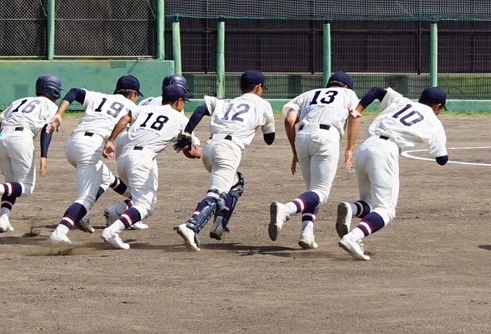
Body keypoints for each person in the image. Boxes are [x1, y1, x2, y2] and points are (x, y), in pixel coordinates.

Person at [335, 86, 451, 261]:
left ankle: (351, 209)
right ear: (438, 106)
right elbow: (441, 159)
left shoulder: (402, 102)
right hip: (385, 152)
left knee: (370, 203)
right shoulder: (434, 123)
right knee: (386, 210)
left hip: (366, 147)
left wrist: (358, 110)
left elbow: (376, 91)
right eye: (441, 109)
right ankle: (353, 238)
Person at [175, 70, 277, 248]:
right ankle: (191, 226)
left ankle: (220, 223)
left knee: (236, 184)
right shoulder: (263, 104)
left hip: (210, 149)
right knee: (217, 193)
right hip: (228, 151)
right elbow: (269, 139)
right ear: (259, 87)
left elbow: (201, 109)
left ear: (240, 87)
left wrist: (188, 132)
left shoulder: (226, 102)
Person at [269, 71, 365, 250]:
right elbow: (355, 116)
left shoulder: (307, 94)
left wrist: (294, 151)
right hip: (325, 137)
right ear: (346, 86)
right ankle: (286, 209)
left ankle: (307, 233)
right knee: (320, 192)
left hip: (302, 137)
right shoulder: (348, 94)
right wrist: (350, 149)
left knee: (312, 192)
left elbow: (289, 120)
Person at [100, 81, 201, 250]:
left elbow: (125, 118)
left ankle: (116, 212)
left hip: (124, 157)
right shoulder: (181, 120)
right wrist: (205, 151)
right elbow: (191, 153)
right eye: (184, 101)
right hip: (141, 159)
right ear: (179, 101)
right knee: (145, 206)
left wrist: (111, 141)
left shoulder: (146, 109)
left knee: (147, 199)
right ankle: (112, 231)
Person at [47, 74, 143, 245]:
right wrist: (112, 142)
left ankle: (83, 215)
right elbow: (129, 128)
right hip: (90, 148)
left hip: (72, 144)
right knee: (86, 198)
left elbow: (74, 91)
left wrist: (59, 114)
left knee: (105, 178)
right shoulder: (131, 107)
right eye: (137, 96)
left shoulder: (99, 97)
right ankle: (60, 231)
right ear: (133, 94)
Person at [0, 75, 64, 233]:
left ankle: (3, 219)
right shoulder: (51, 106)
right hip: (20, 139)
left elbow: (1, 123)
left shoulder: (20, 101)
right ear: (55, 91)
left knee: (11, 183)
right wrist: (44, 156)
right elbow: (47, 130)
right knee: (26, 187)